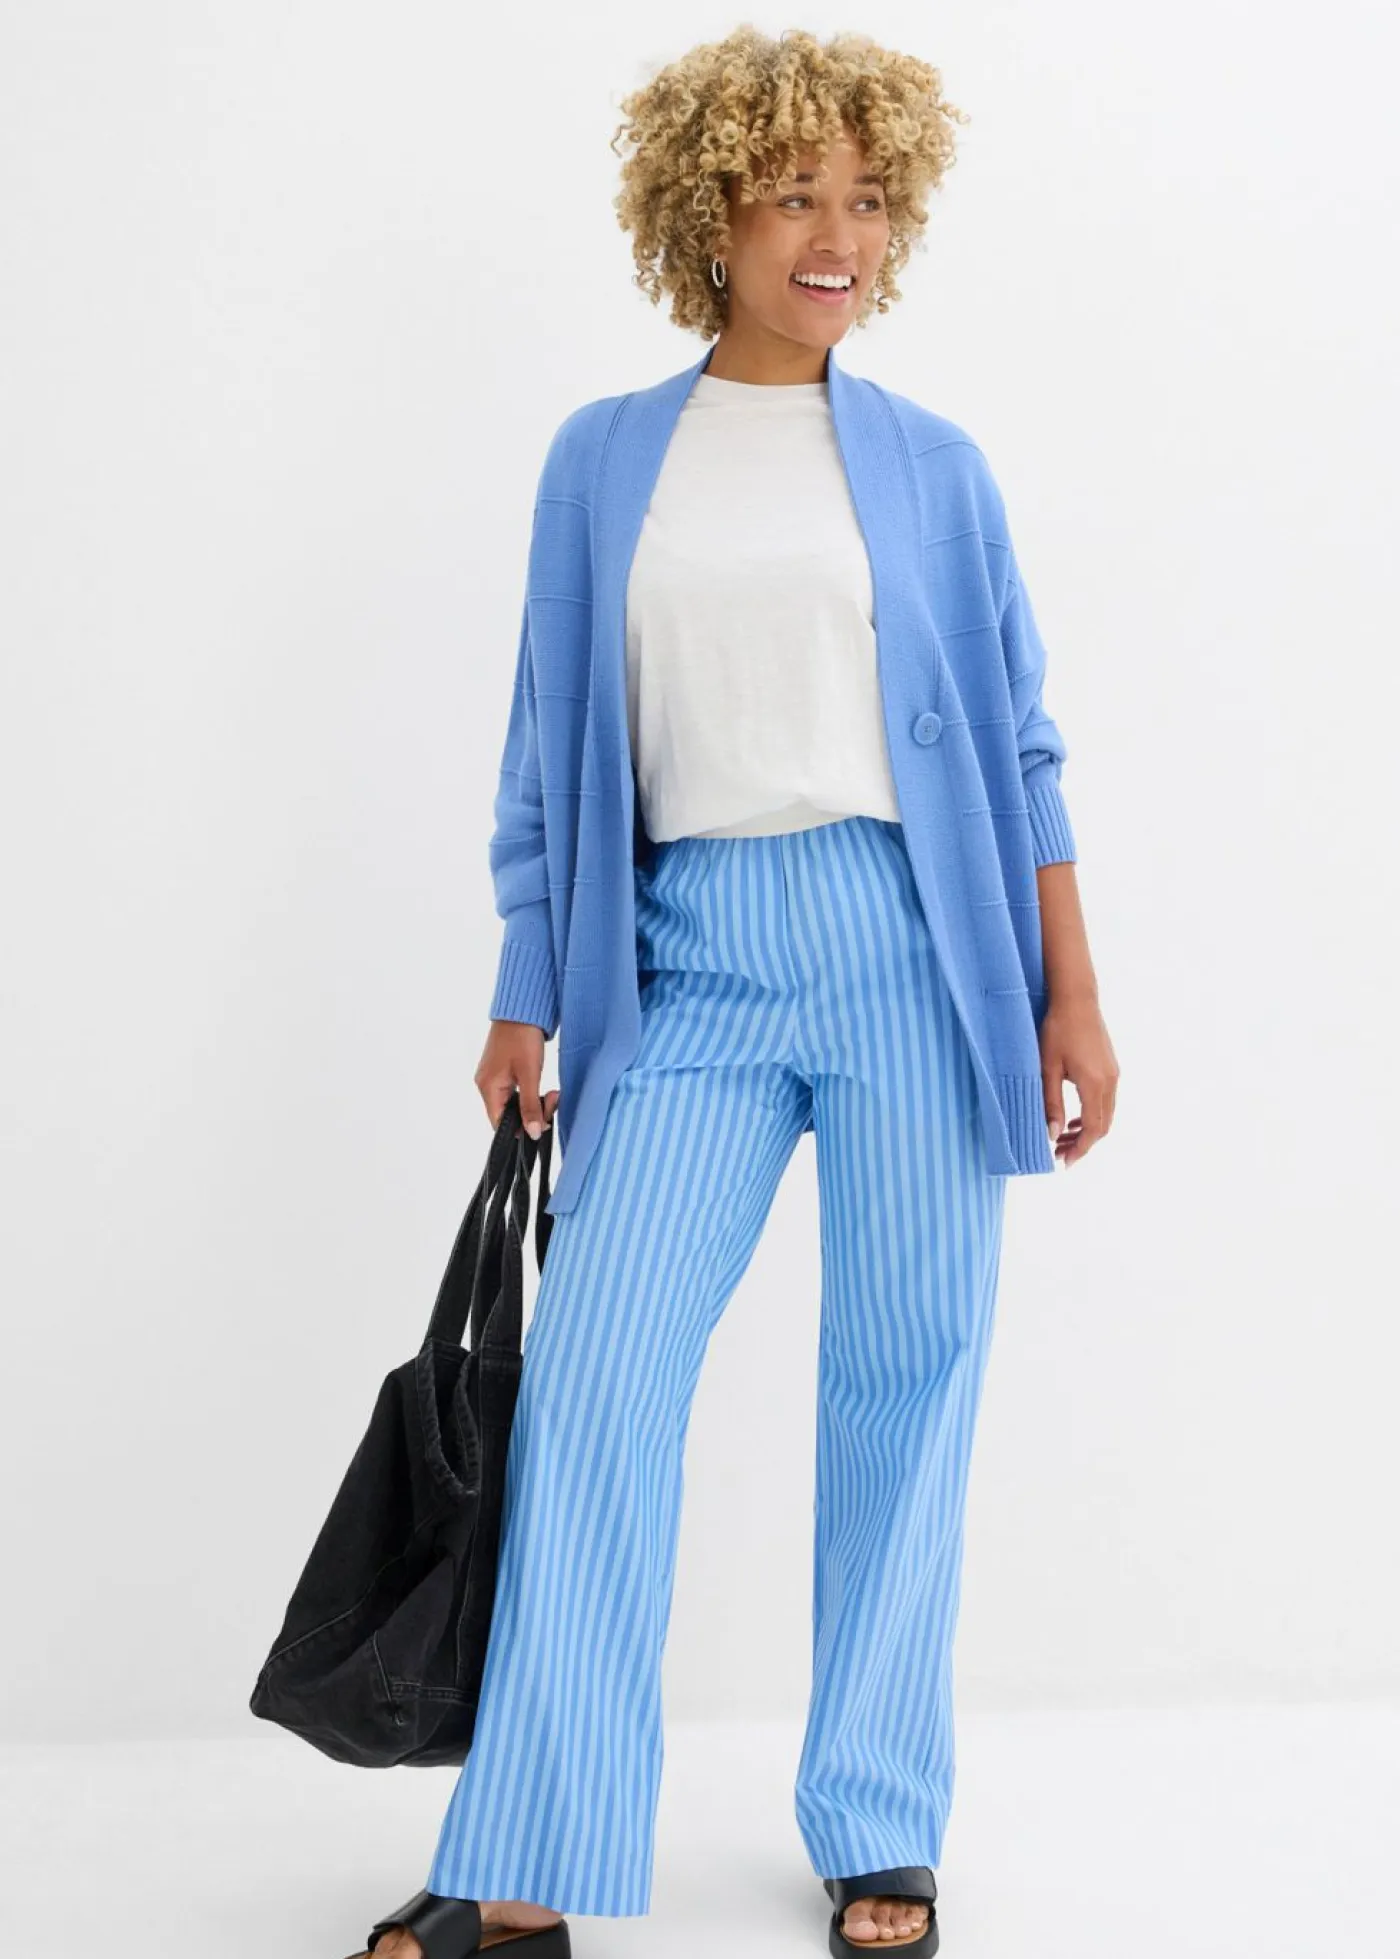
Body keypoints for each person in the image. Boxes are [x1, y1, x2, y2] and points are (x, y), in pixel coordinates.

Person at [348, 25, 1118, 1959]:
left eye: (867, 198)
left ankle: (880, 1817)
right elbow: (550, 752)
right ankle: (531, 1852)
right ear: (709, 213)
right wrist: (526, 985)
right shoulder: (603, 460)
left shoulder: (937, 469)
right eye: (793, 194)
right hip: (681, 956)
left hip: (915, 953)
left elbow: (1021, 750)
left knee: (906, 1382)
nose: (835, 234)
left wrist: (1071, 993)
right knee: (597, 1380)